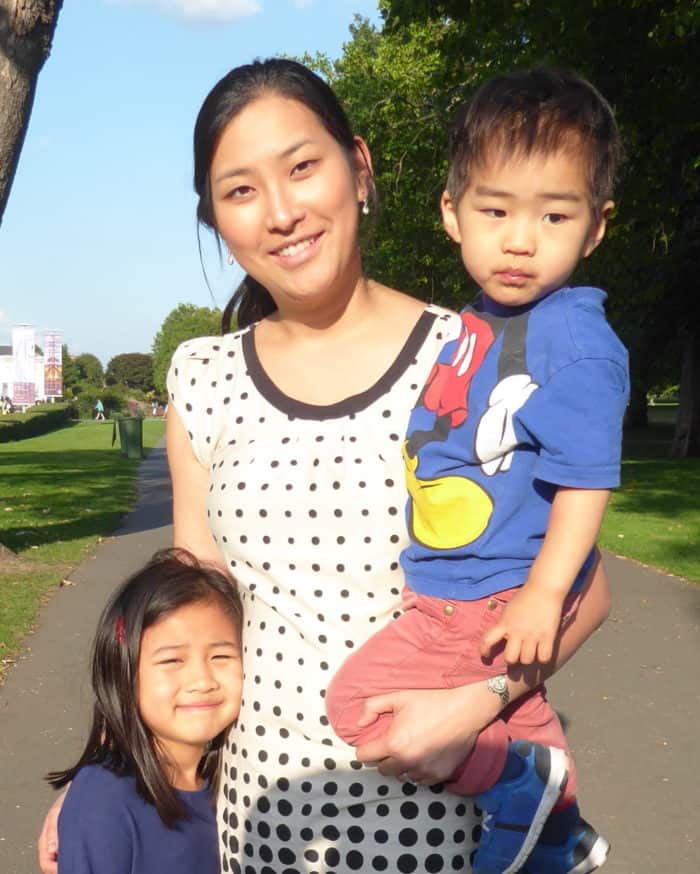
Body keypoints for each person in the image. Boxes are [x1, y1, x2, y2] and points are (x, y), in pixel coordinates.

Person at [39, 59, 615, 874]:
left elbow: (585, 587)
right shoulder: (203, 379)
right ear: (215, 219)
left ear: (361, 168)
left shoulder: (475, 354)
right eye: (241, 191)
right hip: (261, 823)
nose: (280, 213)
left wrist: (475, 707)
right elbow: (187, 601)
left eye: (302, 167)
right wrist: (106, 763)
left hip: (443, 823)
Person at [325, 68, 628, 874]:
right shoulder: (480, 325)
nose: (521, 240)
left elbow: (585, 480)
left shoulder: (573, 339)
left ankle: (525, 795)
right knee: (520, 726)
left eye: (553, 215)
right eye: (496, 211)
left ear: (594, 228)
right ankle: (556, 820)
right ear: (453, 213)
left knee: (353, 704)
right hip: (454, 592)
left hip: (488, 601)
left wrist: (541, 594)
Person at [46, 548, 243, 874]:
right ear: (123, 674)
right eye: (172, 661)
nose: (202, 680)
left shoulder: (236, 779)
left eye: (221, 657)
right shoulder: (104, 801)